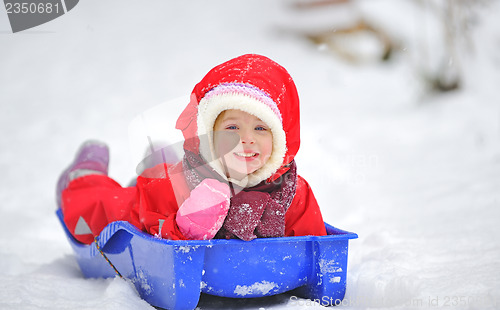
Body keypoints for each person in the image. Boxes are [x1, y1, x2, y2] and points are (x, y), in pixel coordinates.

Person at [57, 54, 327, 244]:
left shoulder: (291, 191)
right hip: (150, 196)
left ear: (280, 140)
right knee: (102, 209)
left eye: (260, 128)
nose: (246, 140)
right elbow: (150, 238)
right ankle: (84, 176)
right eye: (232, 128)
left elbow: (313, 241)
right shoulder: (180, 183)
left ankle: (159, 157)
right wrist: (188, 226)